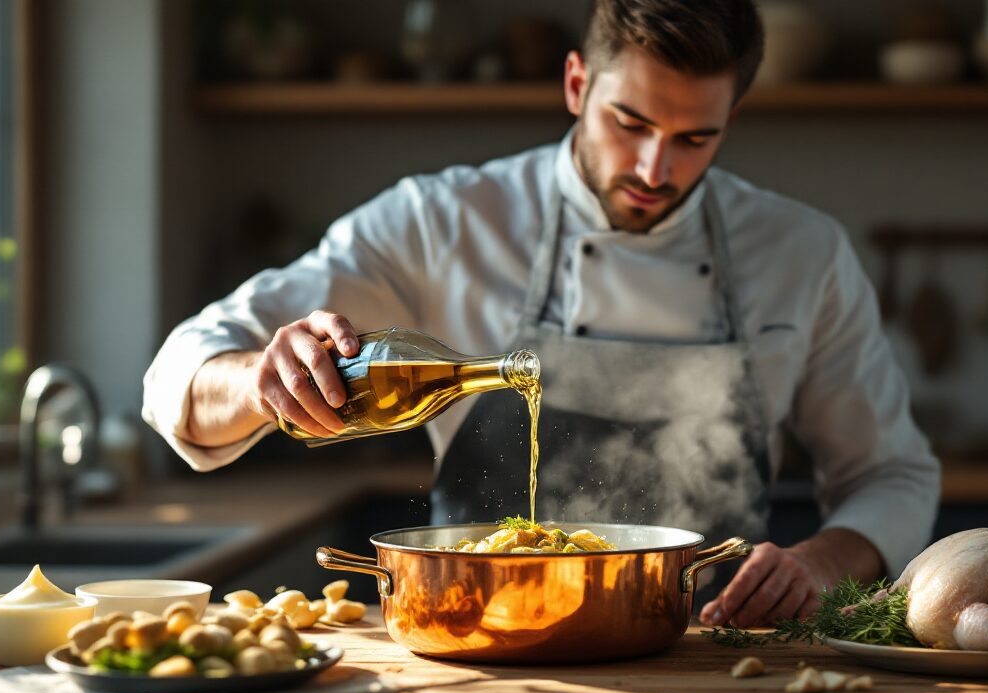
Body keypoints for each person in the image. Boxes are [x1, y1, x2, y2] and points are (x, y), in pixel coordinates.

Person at [143, 0, 940, 628]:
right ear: (574, 85)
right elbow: (180, 373)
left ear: (733, 120)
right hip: (479, 642)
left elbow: (891, 473)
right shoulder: (441, 222)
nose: (655, 169)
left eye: (695, 138)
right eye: (629, 123)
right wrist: (260, 381)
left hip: (719, 649)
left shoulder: (802, 251)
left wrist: (821, 564)